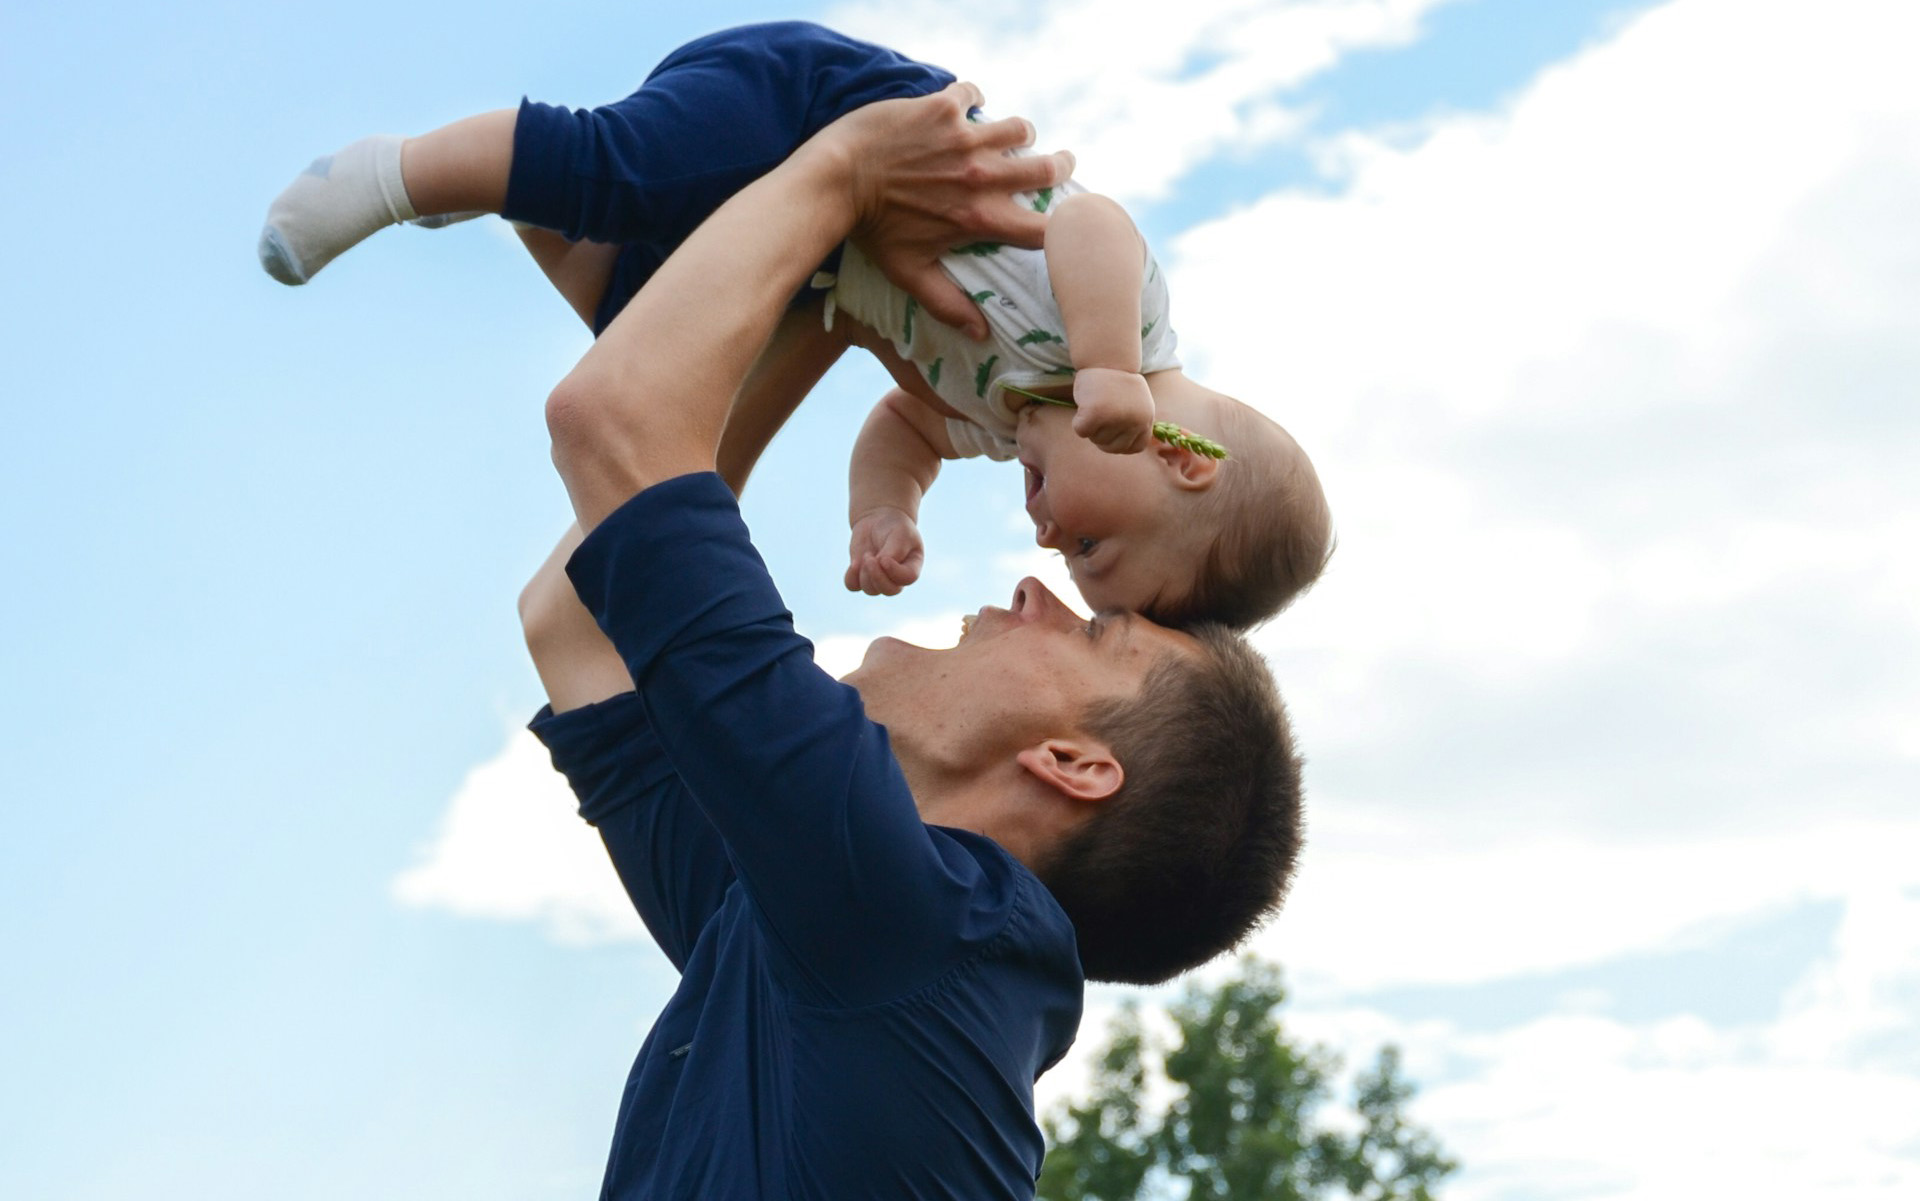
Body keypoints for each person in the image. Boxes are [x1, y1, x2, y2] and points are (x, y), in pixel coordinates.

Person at [513, 85, 1305, 1197]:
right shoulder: (834, 931)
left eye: (1089, 629)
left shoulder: (918, 926)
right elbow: (581, 624)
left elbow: (611, 422)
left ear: (1076, 766)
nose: (1035, 588)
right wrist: (834, 304)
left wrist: (849, 172)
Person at [259, 21, 1333, 630]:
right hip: (830, 111)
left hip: (820, 245)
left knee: (647, 322)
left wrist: (886, 509)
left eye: (1069, 557)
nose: (1049, 538)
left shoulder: (1005, 420)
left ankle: (508, 183)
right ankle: (394, 174)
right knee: (624, 172)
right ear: (1186, 462)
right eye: (1093, 544)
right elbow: (1094, 223)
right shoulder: (1124, 340)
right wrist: (1106, 366)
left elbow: (902, 428)